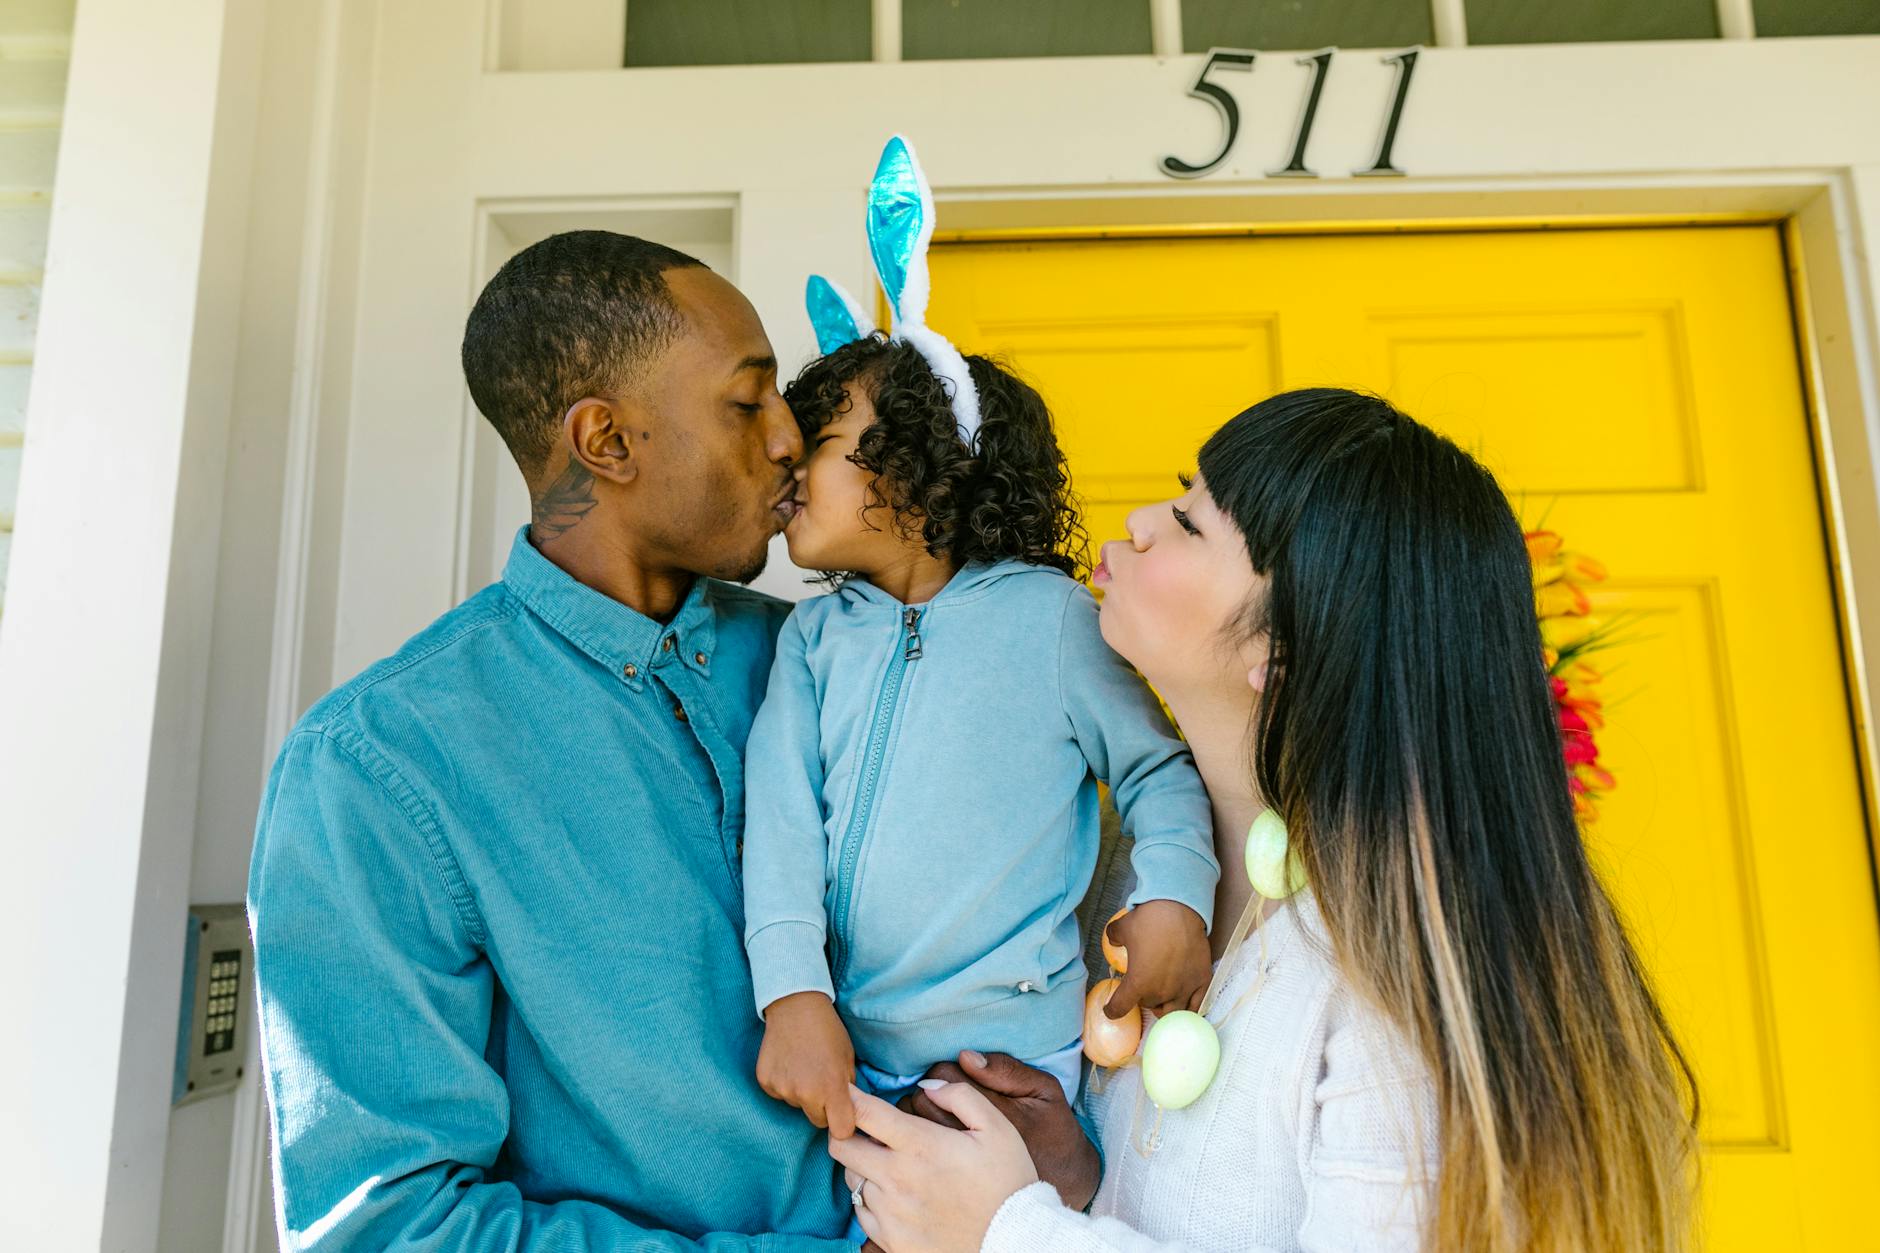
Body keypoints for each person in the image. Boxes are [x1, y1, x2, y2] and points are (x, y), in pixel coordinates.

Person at [246, 230, 1095, 1250]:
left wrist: (1067, 1163)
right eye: (749, 401)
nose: (791, 440)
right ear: (606, 441)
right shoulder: (377, 769)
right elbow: (393, 1226)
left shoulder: (843, 662)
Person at [829, 388, 1700, 1253]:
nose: (1139, 522)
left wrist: (1009, 1229)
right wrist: (1073, 1176)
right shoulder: (1113, 857)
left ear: (1282, 649)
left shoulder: (1392, 988)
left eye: (1190, 523)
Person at [742, 332, 1218, 1160]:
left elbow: (1156, 768)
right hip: (847, 1057)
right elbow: (780, 829)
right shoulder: (812, 639)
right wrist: (791, 996)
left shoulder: (1056, 621)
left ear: (923, 464)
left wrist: (1178, 897)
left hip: (1016, 1062)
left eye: (822, 443)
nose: (791, 467)